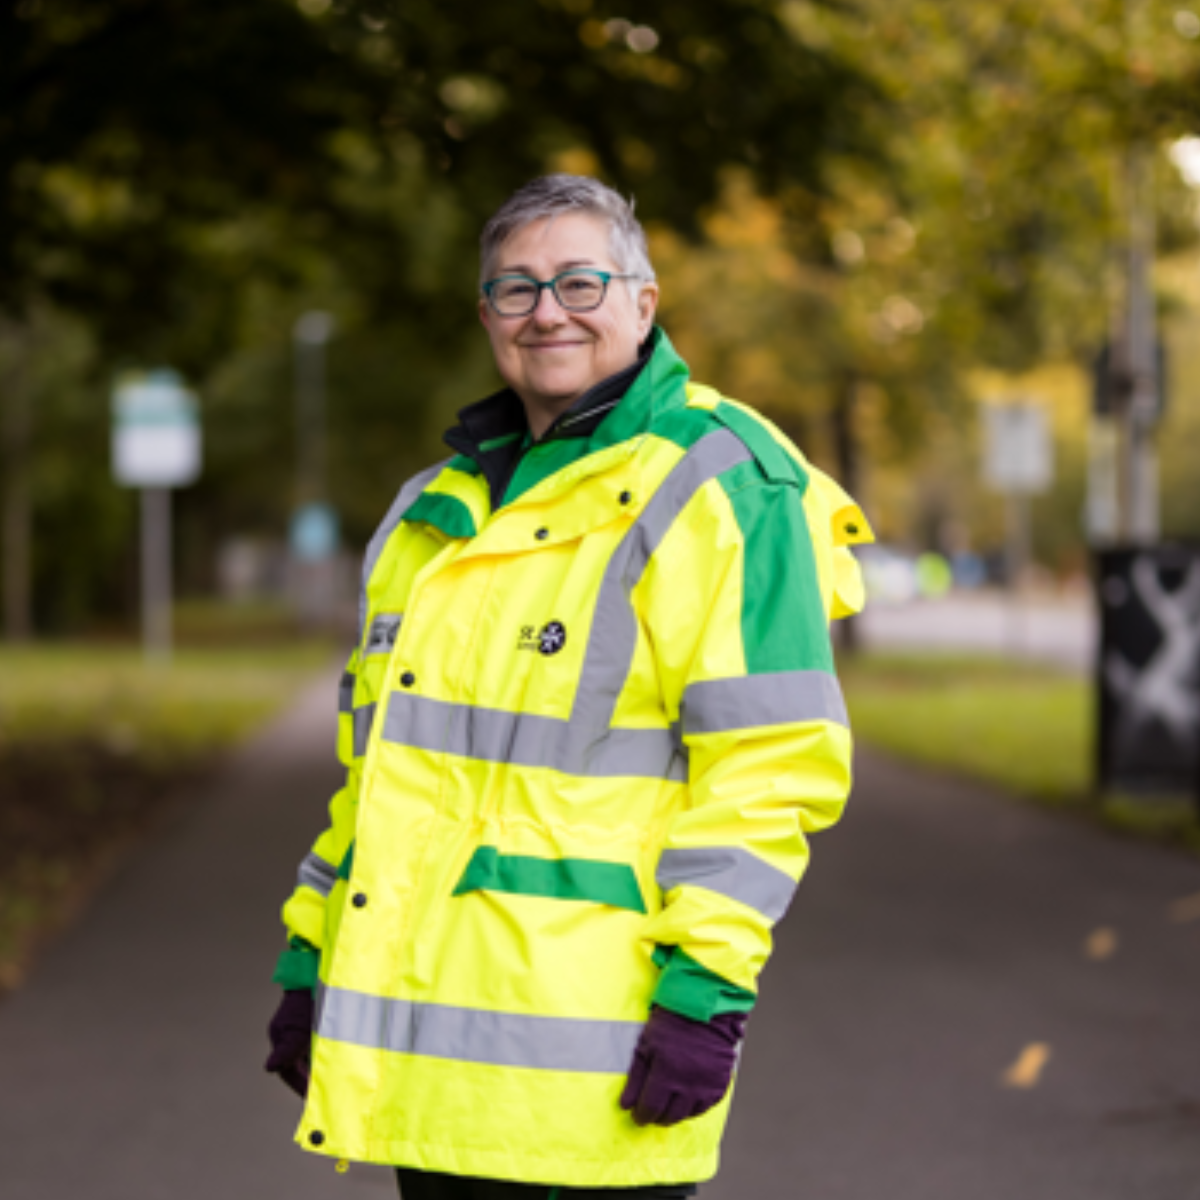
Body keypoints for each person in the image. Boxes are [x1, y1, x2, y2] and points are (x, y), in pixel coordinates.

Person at [266, 174, 872, 1199]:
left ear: (644, 302)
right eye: (516, 289)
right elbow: (380, 776)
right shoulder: (434, 512)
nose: (548, 310)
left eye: (581, 282)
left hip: (600, 1062)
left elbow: (770, 768)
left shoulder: (722, 484)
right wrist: (308, 949)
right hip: (429, 1068)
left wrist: (708, 991)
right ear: (488, 319)